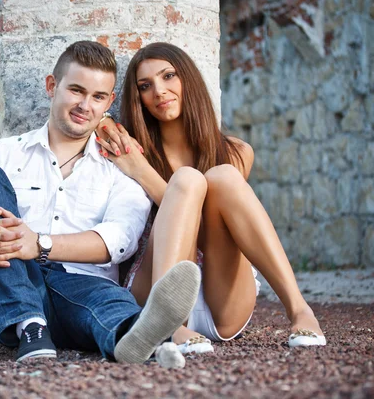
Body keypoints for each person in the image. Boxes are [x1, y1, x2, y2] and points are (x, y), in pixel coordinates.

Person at [0, 41, 202, 364]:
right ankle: (30, 325)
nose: (85, 105)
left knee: (108, 303)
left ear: (109, 102)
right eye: (76, 90)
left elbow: (119, 241)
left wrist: (39, 243)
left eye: (98, 97)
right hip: (11, 285)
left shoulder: (119, 165)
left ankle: (134, 335)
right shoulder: (4, 154)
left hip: (83, 288)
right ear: (51, 86)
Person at [96, 42, 325, 354]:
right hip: (155, 286)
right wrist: (134, 156)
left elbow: (206, 230)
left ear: (188, 78)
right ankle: (170, 324)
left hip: (223, 296)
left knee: (221, 176)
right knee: (189, 180)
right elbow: (97, 119)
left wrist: (142, 173)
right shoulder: (133, 147)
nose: (159, 92)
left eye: (168, 76)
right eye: (145, 86)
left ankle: (299, 309)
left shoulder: (236, 152)